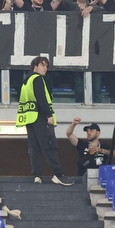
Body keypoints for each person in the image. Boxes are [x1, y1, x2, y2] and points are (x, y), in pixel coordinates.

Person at [16, 56, 72, 185]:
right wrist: (49, 115)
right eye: (43, 65)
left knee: (34, 148)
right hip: (40, 117)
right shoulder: (37, 79)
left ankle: (37, 175)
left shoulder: (26, 81)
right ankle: (58, 175)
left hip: (30, 118)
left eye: (46, 66)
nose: (45, 68)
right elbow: (41, 98)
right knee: (49, 145)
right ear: (35, 66)